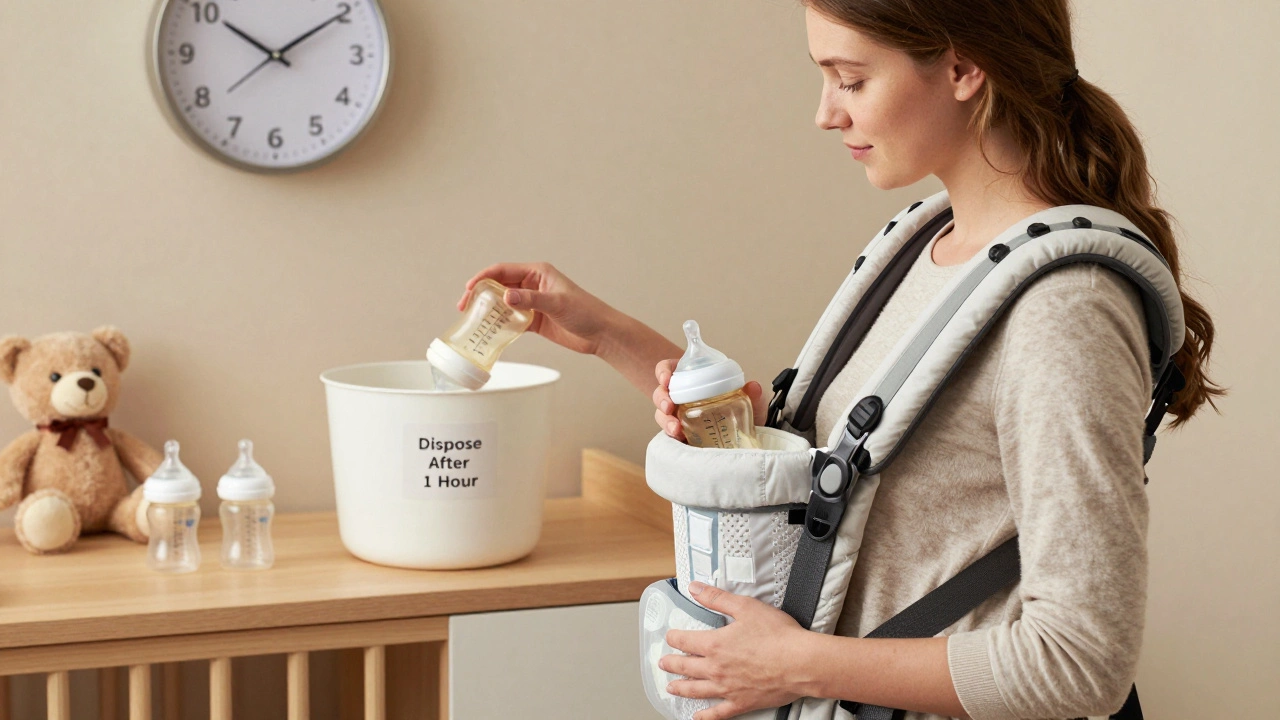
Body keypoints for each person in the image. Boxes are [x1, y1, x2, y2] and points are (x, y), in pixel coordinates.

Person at [459, 1, 1221, 718]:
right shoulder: (925, 246)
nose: (826, 113)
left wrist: (799, 665)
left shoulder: (1065, 308)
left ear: (963, 69)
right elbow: (838, 477)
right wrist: (603, 334)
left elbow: (1081, 659)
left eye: (851, 79)